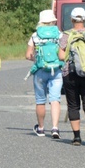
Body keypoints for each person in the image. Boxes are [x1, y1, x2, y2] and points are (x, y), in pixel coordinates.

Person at [58, 7, 85, 146]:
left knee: (73, 105)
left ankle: (77, 137)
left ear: (72, 19)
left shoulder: (66, 35)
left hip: (71, 73)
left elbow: (61, 56)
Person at [26, 9, 63, 139]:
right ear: (53, 21)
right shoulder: (59, 35)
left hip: (40, 71)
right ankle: (55, 128)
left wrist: (36, 58)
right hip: (56, 70)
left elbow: (28, 55)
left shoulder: (35, 35)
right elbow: (62, 54)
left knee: (40, 101)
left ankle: (41, 128)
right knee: (55, 99)